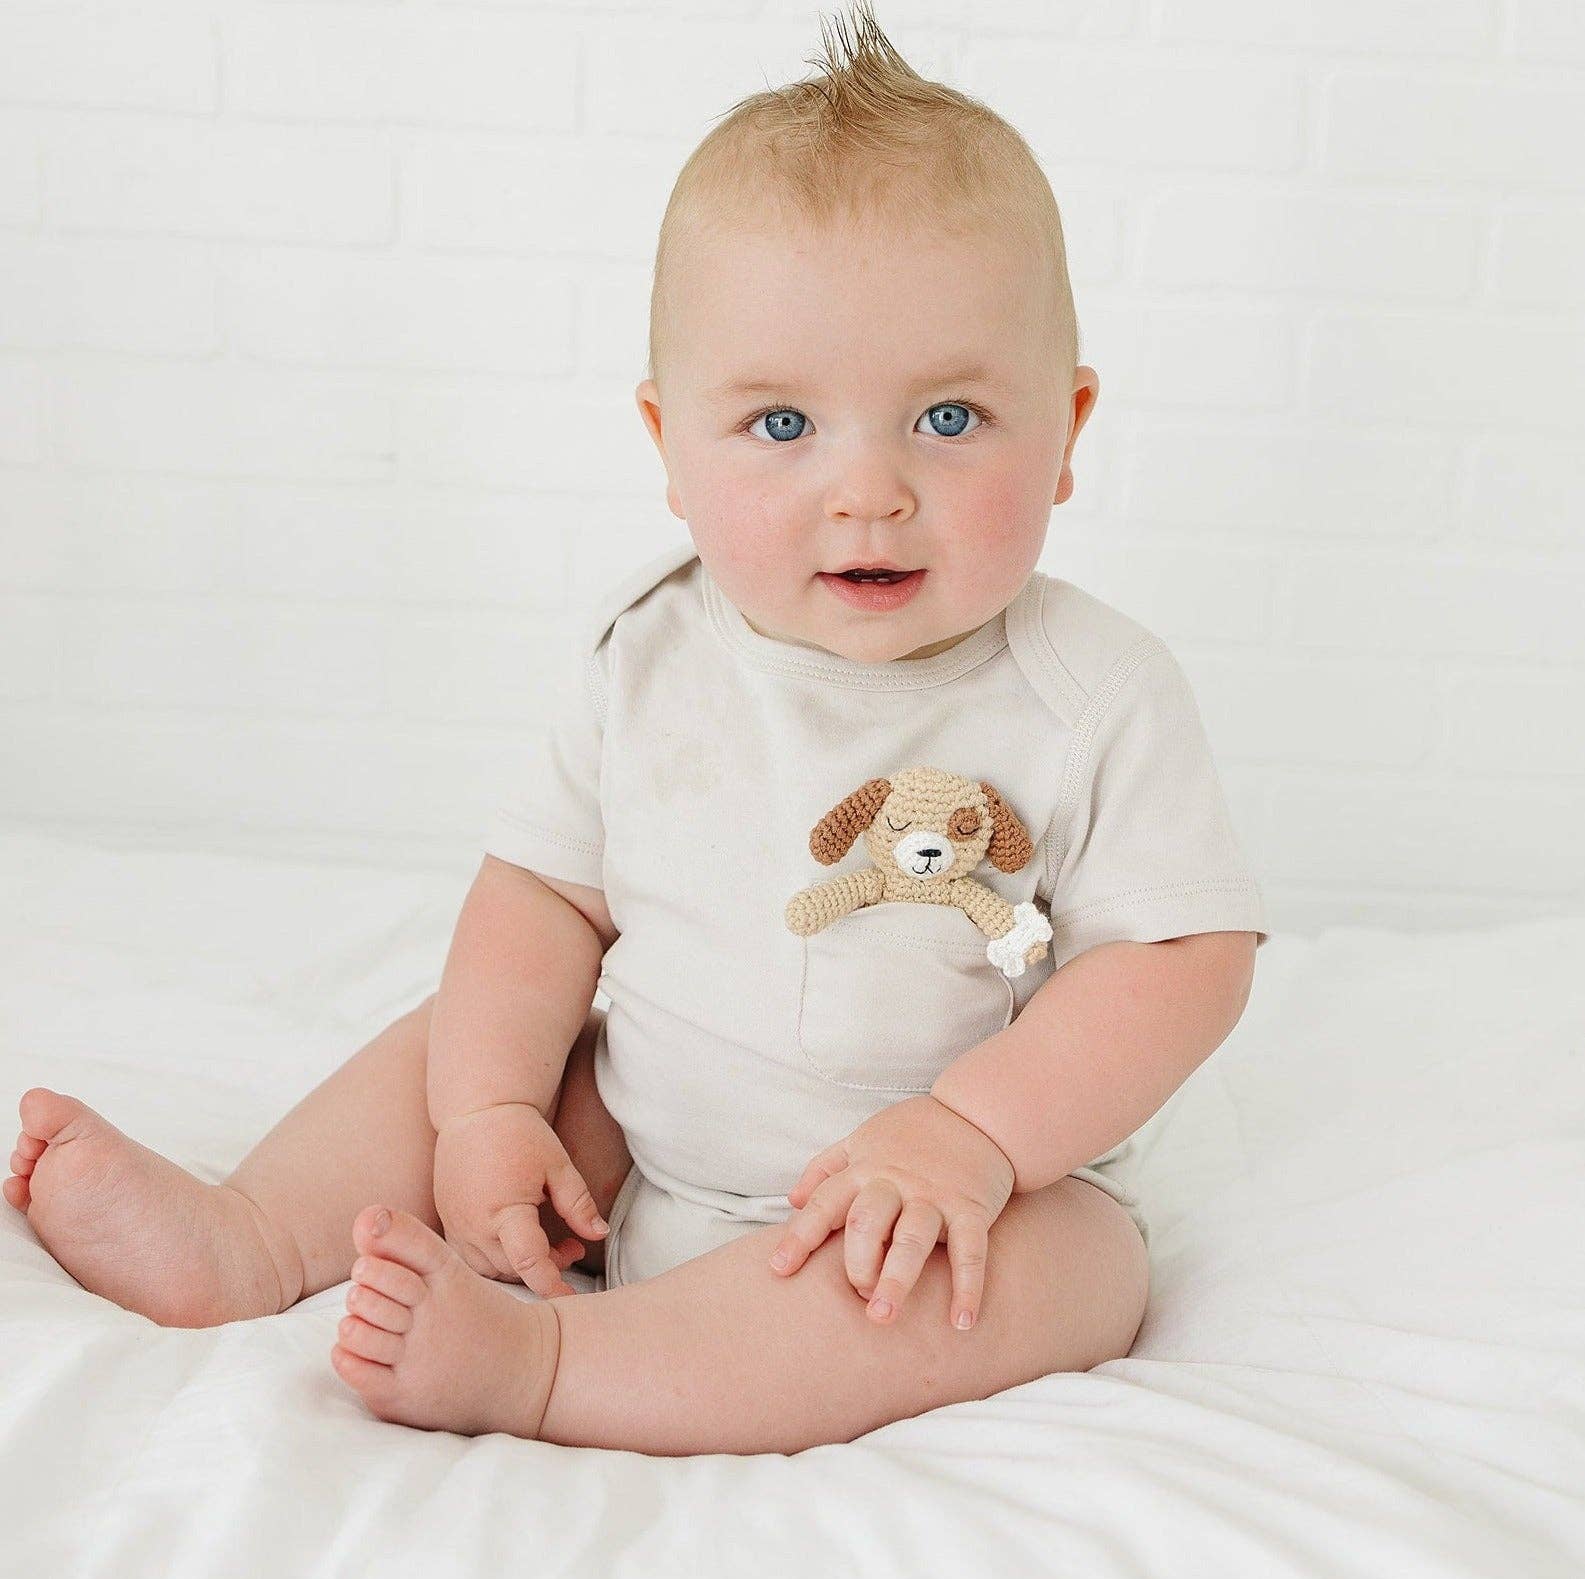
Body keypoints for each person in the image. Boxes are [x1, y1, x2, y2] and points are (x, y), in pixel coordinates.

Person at [4, 1, 1268, 1456]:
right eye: (783, 426)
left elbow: (1181, 960)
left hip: (938, 1198)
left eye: (948, 417)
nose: (868, 488)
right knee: (490, 1041)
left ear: (1068, 425)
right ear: (668, 446)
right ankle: (245, 1237)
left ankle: (557, 1366)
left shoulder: (1093, 691)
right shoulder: (648, 651)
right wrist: (484, 1112)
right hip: (647, 1125)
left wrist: (974, 1137)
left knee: (1076, 1273)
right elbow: (544, 894)